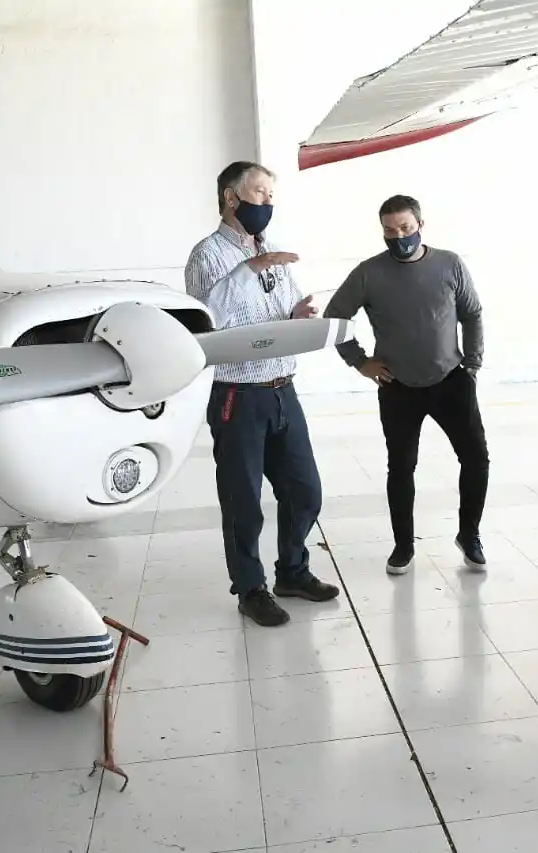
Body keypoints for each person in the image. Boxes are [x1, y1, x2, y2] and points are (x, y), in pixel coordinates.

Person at [184, 160, 340, 627]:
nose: (267, 203)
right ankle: (251, 588)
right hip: (238, 395)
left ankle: (292, 571)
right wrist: (248, 270)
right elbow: (207, 321)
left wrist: (298, 315)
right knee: (243, 502)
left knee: (305, 491)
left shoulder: (270, 249)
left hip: (282, 390)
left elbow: (278, 312)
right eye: (259, 193)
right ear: (231, 198)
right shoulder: (207, 256)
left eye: (272, 195)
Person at [323, 194, 489, 575]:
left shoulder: (449, 264)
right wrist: (360, 361)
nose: (399, 236)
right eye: (390, 230)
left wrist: (473, 364)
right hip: (397, 386)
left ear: (420, 225)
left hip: (451, 380)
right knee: (400, 467)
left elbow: (472, 313)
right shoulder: (369, 273)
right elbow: (335, 317)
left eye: (405, 228)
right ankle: (403, 545)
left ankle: (469, 534)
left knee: (476, 458)